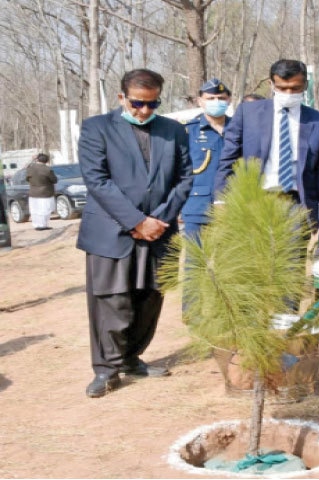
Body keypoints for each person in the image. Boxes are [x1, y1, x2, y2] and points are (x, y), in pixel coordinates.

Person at [77, 68, 193, 398]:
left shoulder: (173, 130)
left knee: (149, 299)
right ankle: (107, 369)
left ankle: (131, 359)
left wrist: (159, 219)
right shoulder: (96, 128)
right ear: (122, 98)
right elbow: (97, 180)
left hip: (159, 232)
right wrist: (136, 221)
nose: (144, 111)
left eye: (152, 104)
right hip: (112, 232)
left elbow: (185, 179)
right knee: (112, 302)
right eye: (137, 103)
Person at [214, 59, 319, 239]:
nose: (289, 93)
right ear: (271, 84)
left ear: (305, 85)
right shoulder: (248, 113)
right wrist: (221, 198)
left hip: (296, 204)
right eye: (282, 88)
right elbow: (228, 159)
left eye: (295, 88)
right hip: (254, 199)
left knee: (293, 263)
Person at [181, 78, 232, 240]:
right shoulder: (188, 132)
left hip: (234, 204)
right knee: (195, 261)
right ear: (200, 101)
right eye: (211, 98)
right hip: (198, 206)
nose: (217, 102)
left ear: (229, 100)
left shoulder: (239, 128)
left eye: (221, 98)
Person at [26, 153, 57, 231]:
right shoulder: (47, 170)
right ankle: (43, 225)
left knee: (34, 210)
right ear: (47, 161)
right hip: (45, 193)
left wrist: (32, 159)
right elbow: (54, 180)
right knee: (45, 210)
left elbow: (27, 179)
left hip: (33, 192)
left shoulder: (30, 168)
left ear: (38, 159)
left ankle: (36, 225)